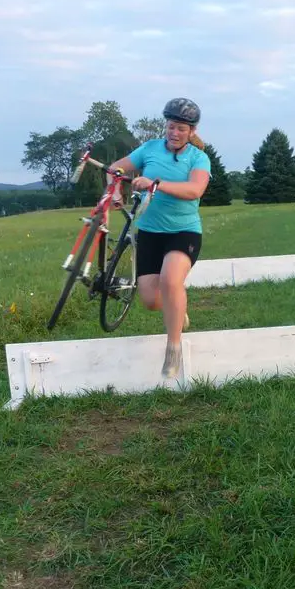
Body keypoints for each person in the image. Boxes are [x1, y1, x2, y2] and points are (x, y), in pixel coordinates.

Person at [110, 98, 211, 379]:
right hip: (150, 232)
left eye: (180, 128)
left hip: (184, 230)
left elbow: (195, 190)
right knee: (151, 300)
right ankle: (178, 313)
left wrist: (156, 184)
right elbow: (115, 168)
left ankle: (173, 347)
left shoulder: (198, 157)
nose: (174, 132)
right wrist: (116, 187)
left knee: (170, 280)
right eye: (170, 126)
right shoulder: (150, 148)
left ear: (191, 131)